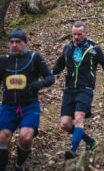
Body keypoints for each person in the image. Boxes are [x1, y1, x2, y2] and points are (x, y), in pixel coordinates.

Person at [52, 21, 104, 160]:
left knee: (79, 118)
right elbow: (59, 66)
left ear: (85, 33)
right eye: (74, 34)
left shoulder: (94, 48)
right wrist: (47, 74)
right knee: (65, 124)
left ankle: (72, 151)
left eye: (79, 34)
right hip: (69, 89)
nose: (76, 37)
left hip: (85, 88)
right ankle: (90, 142)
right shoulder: (67, 47)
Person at [0, 29, 54, 170]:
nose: (14, 45)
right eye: (11, 42)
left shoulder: (34, 58)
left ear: (25, 43)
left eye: (18, 42)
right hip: (8, 106)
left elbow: (50, 77)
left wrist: (39, 84)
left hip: (29, 106)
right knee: (2, 136)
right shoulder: (4, 60)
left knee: (26, 136)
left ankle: (19, 164)